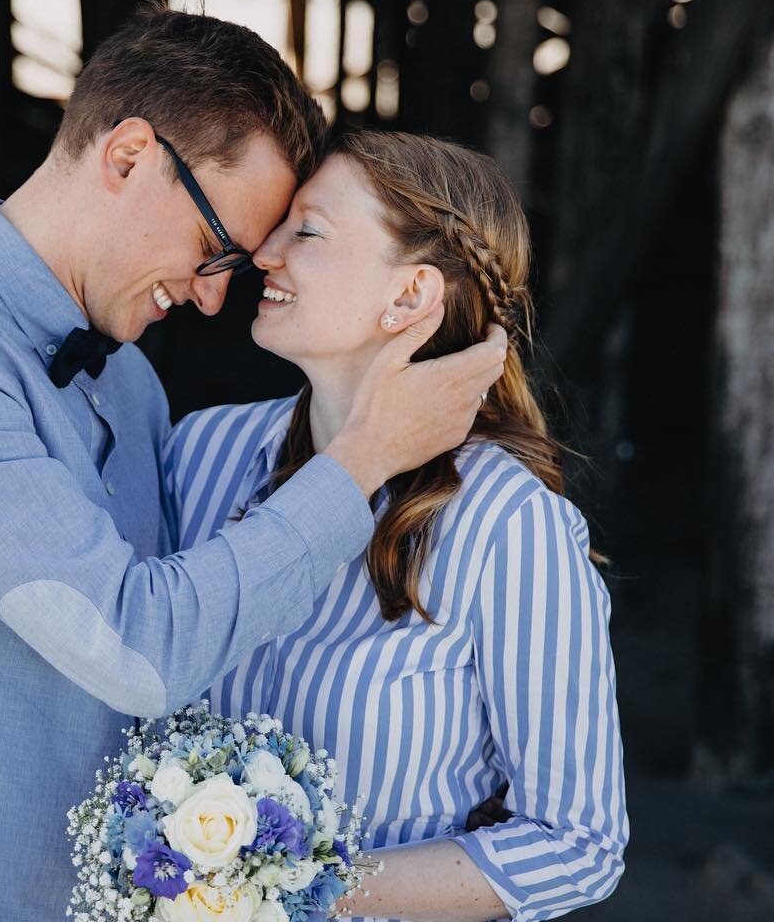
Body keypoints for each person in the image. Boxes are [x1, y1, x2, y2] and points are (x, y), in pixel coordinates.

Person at [0, 5, 506, 922]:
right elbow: (139, 644)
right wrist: (362, 456)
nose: (209, 301)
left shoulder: (130, 388)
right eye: (214, 251)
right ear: (127, 156)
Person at [172, 131, 628, 920]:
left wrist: (292, 893)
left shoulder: (508, 524)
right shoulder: (199, 453)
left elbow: (578, 843)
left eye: (306, 231)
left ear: (410, 297)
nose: (264, 252)